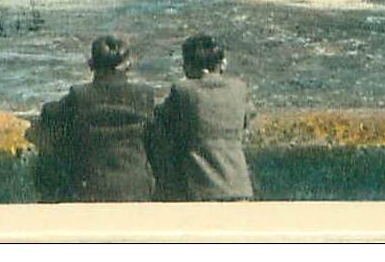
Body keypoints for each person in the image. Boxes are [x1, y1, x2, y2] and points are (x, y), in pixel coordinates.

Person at [30, 34, 160, 202]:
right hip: (136, 190)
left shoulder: (79, 96)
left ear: (91, 64)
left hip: (90, 191)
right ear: (128, 65)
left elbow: (49, 112)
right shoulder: (144, 95)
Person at [146, 34, 255, 201]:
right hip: (238, 185)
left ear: (187, 66)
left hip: (200, 188)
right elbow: (247, 118)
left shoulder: (183, 90)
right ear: (222, 63)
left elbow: (160, 120)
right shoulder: (239, 88)